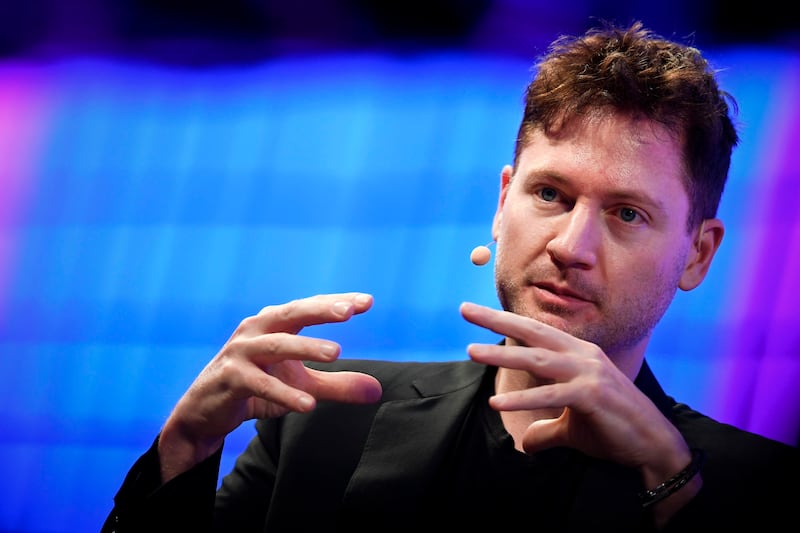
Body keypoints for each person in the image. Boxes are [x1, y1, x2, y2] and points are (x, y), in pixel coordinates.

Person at [101, 20, 798, 532]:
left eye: (627, 213)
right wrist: (186, 447)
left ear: (698, 254)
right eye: (550, 195)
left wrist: (672, 483)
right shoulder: (327, 422)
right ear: (502, 203)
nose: (571, 245)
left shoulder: (752, 486)